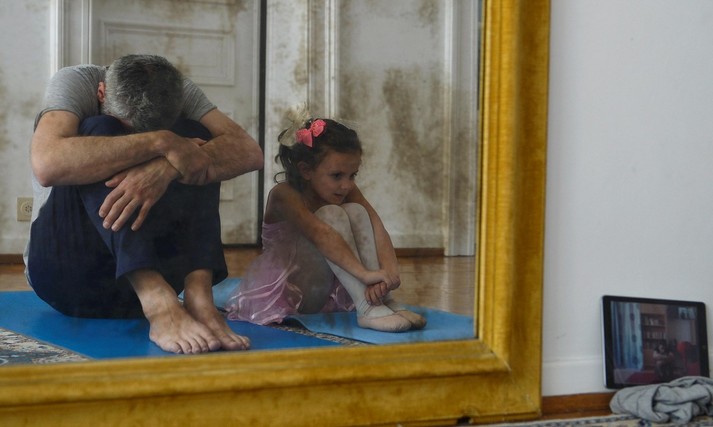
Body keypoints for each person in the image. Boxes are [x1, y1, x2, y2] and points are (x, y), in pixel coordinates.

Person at [26, 54, 263, 354]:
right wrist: (161, 142)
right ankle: (157, 301)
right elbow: (46, 164)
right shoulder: (78, 82)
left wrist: (168, 166)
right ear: (101, 92)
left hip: (165, 274)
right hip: (69, 278)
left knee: (201, 139)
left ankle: (199, 298)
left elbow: (249, 152)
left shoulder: (178, 89)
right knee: (99, 128)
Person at [224, 108, 426, 332]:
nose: (346, 185)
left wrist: (390, 270)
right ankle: (367, 307)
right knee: (332, 214)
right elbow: (321, 235)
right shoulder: (284, 195)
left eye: (352, 175)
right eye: (337, 175)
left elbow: (374, 223)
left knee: (357, 211)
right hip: (294, 292)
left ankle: (383, 299)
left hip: (327, 288)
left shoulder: (345, 189)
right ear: (306, 170)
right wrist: (365, 275)